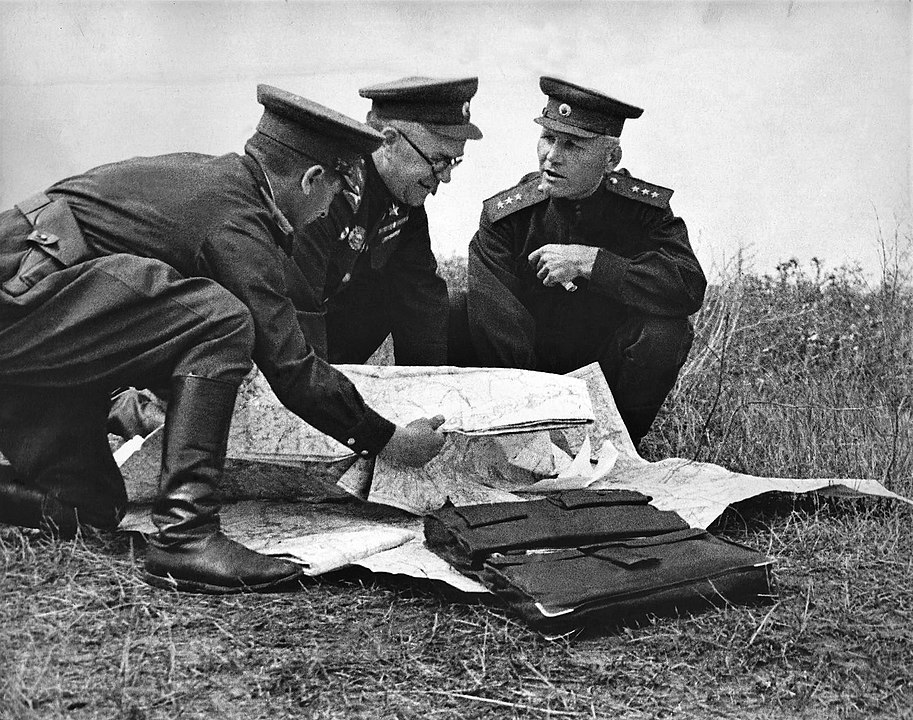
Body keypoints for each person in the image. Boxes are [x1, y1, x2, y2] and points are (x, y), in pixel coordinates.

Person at [0, 85, 446, 594]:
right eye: (336, 194)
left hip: (45, 331)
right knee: (221, 320)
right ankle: (186, 538)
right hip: (20, 309)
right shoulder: (234, 221)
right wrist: (388, 440)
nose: (329, 210)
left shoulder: (219, 182)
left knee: (87, 507)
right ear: (311, 178)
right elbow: (292, 367)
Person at [449, 76, 707, 449]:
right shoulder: (508, 218)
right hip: (520, 383)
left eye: (573, 145)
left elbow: (687, 286)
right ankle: (486, 440)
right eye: (548, 138)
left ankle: (616, 447)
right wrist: (540, 424)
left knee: (666, 330)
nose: (552, 156)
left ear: (611, 159)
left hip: (605, 381)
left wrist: (596, 264)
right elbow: (499, 327)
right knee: (455, 310)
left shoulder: (643, 213)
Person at [290, 76, 482, 365]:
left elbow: (421, 302)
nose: (446, 177)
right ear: (390, 140)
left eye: (454, 162)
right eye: (439, 160)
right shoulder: (326, 187)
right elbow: (295, 307)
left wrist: (425, 392)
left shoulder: (403, 201)